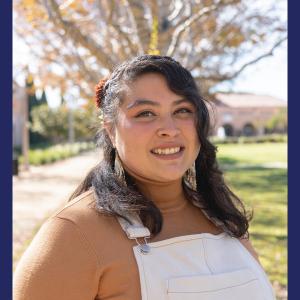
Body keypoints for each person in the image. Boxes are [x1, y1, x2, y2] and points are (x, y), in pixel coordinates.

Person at [13, 55, 275, 300]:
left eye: (182, 110)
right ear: (111, 130)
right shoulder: (74, 233)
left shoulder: (223, 216)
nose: (169, 129)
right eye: (145, 113)